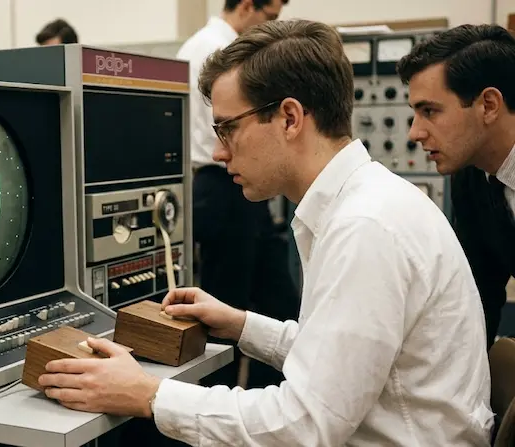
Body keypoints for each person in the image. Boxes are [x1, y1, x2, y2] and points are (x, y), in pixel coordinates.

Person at [37, 20, 494, 446]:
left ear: (290, 118)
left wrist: (148, 395)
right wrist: (240, 325)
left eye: (227, 129)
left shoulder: (364, 228)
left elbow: (308, 423)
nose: (218, 153)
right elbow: (343, 361)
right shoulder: (364, 203)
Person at [175, 0, 296, 391]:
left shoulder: (210, 48)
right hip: (223, 186)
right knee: (225, 305)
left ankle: (273, 391)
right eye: (269, 16)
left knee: (272, 297)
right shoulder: (214, 52)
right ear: (246, 6)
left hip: (237, 186)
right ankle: (219, 397)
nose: (269, 27)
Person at [397, 24, 515, 349]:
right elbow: (479, 298)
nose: (414, 133)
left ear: (489, 105)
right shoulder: (470, 176)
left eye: (429, 111)